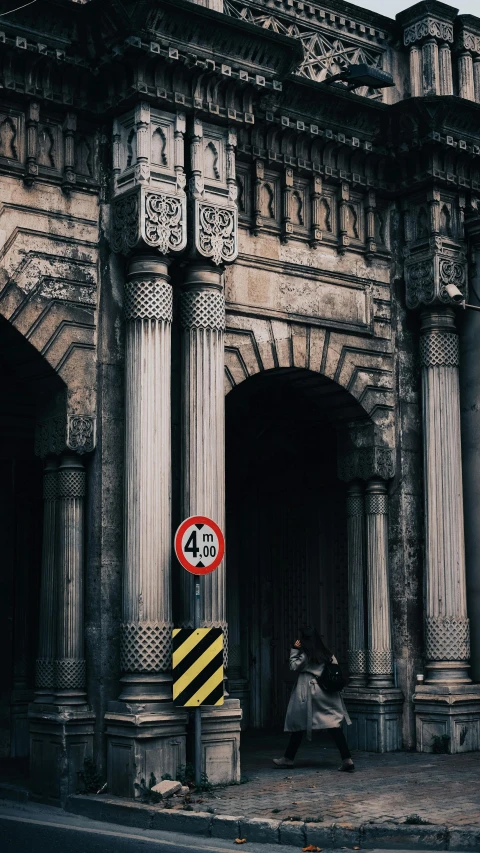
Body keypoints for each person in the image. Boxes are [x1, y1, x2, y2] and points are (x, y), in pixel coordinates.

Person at [273, 626, 354, 772]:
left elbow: (293, 666)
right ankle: (347, 758)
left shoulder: (305, 655)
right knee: (334, 725)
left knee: (299, 724)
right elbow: (334, 667)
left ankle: (288, 758)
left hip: (308, 692)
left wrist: (294, 649)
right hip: (326, 692)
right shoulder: (327, 654)